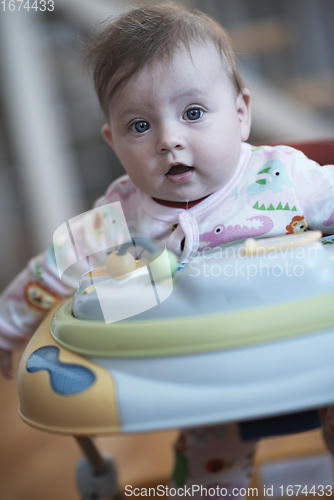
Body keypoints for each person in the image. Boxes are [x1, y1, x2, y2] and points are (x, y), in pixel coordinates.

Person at [1, 3, 334, 496]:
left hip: (314, 357)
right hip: (208, 375)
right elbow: (49, 273)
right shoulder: (120, 213)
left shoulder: (284, 177)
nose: (169, 140)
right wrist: (8, 333)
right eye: (140, 126)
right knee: (206, 474)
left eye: (194, 113)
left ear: (241, 114)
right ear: (113, 141)